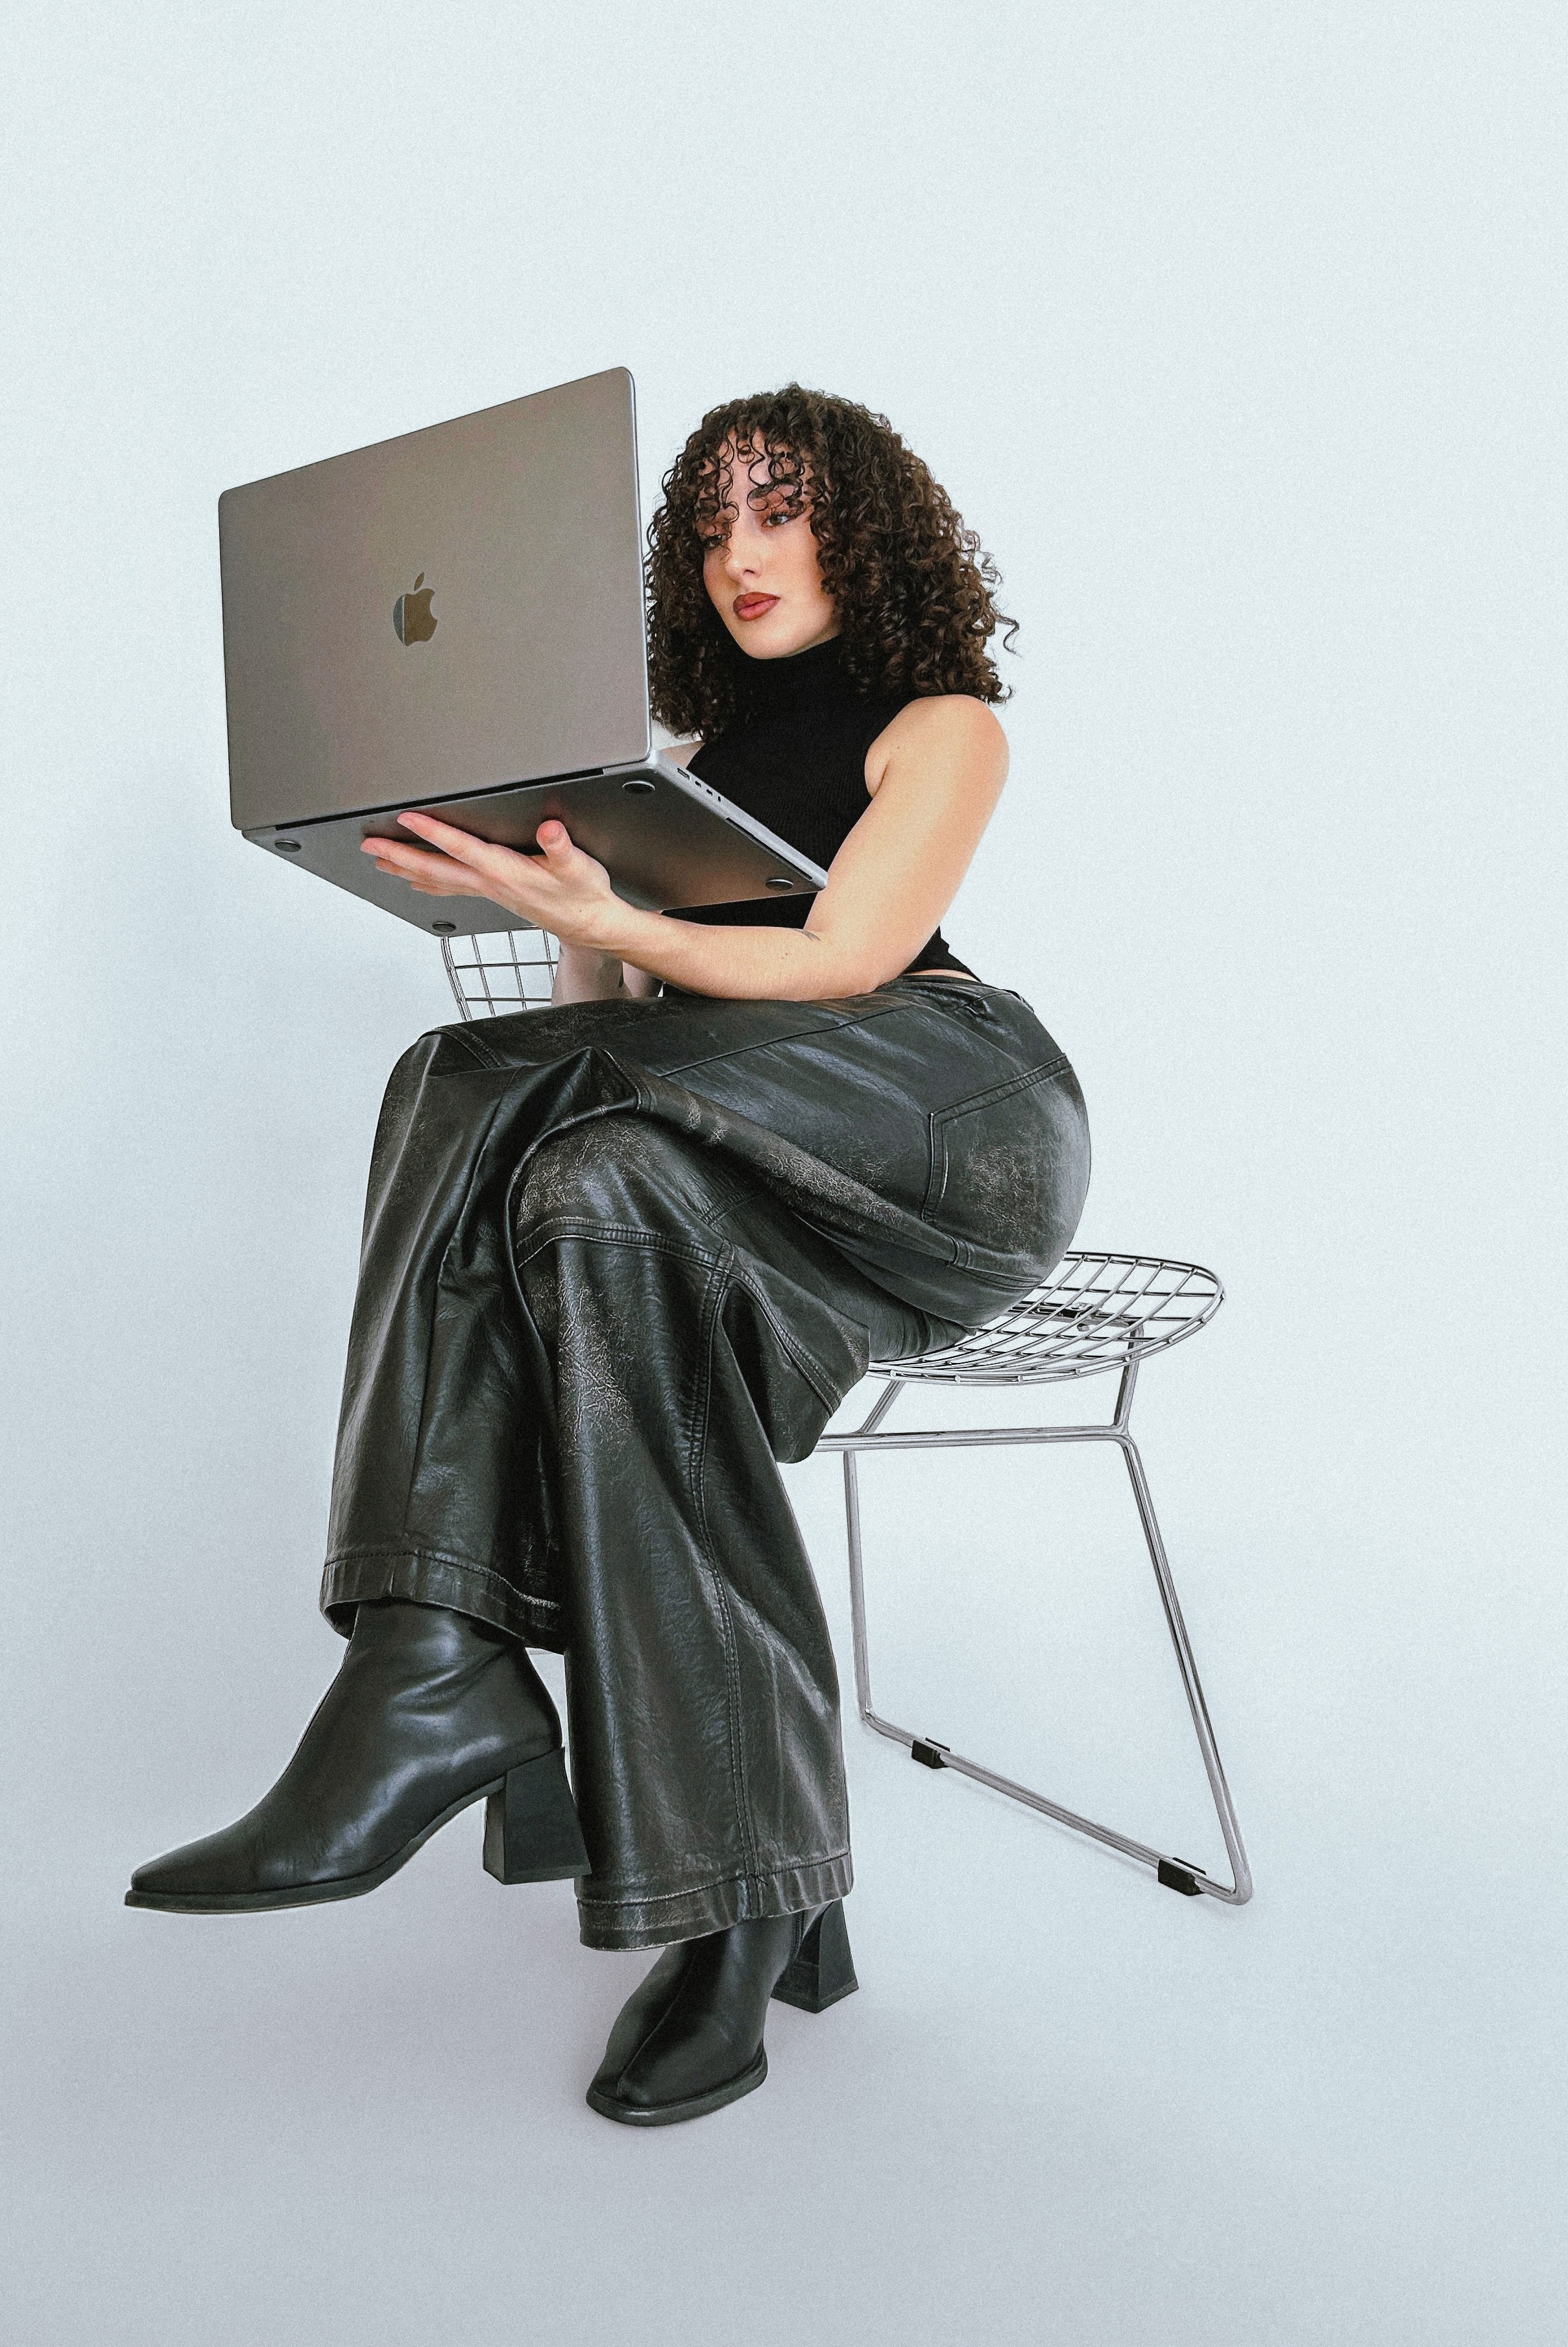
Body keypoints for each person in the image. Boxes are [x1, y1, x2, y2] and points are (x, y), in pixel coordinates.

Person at [128, 386, 1092, 2126]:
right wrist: (559, 902)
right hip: (743, 1168)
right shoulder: (693, 772)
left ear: (860, 534)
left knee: (461, 1077)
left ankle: (429, 1664)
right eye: (712, 522)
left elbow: (842, 957)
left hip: (946, 1112)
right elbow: (618, 1041)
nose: (742, 550)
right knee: (593, 1195)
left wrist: (618, 927)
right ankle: (744, 1892)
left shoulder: (937, 722)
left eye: (781, 507)